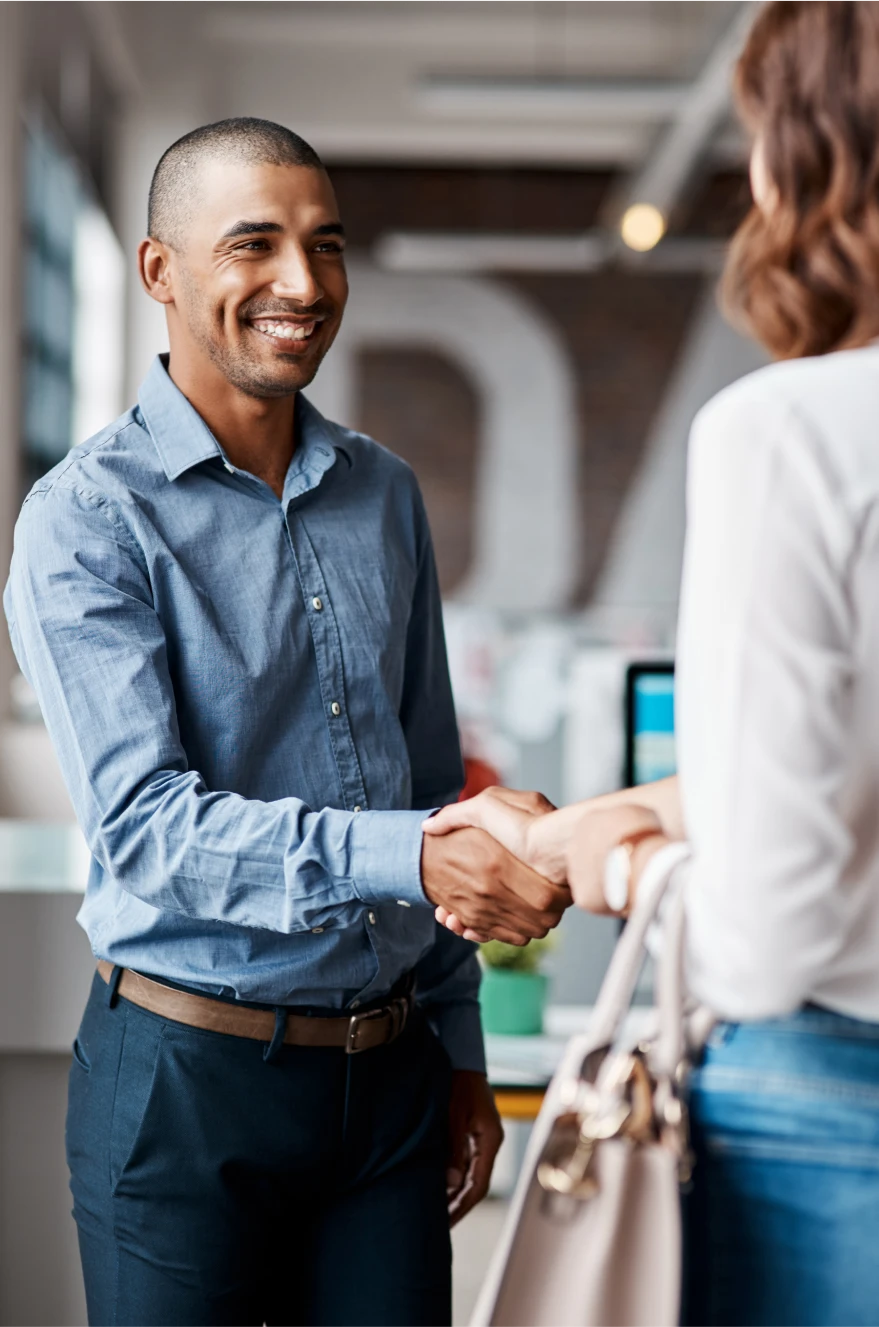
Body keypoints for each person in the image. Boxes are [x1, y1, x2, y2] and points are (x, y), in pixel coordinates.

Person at [3, 118, 570, 1327]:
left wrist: (460, 1049)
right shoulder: (85, 518)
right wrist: (411, 851)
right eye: (254, 244)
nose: (303, 286)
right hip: (186, 1081)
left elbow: (428, 778)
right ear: (161, 272)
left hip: (392, 1081)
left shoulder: (385, 492)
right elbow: (150, 830)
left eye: (327, 245)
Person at [426, 1, 879, 1322]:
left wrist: (596, 858)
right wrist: (621, 811)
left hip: (826, 1111)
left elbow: (762, 940)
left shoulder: (786, 434)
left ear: (805, 154)